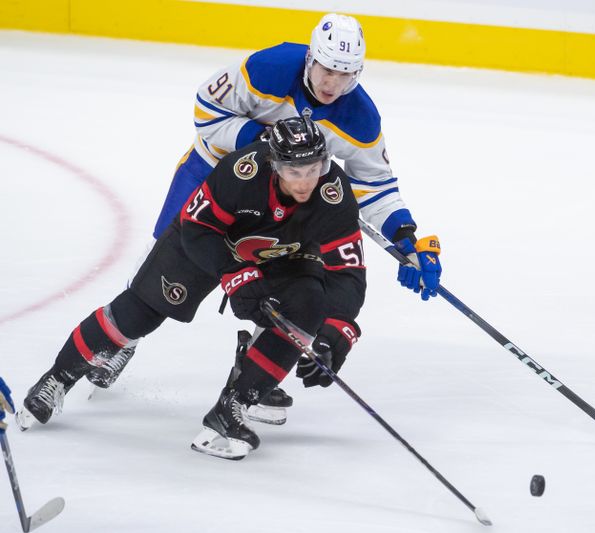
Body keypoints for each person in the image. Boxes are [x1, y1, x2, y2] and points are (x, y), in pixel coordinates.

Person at [84, 13, 444, 421]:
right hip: (216, 175)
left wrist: (405, 234)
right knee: (162, 258)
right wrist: (257, 142)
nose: (332, 85)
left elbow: (376, 185)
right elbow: (207, 111)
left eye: (345, 76)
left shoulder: (360, 117)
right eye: (327, 70)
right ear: (310, 59)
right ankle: (121, 342)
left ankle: (251, 369)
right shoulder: (268, 69)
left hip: (289, 198)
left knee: (289, 275)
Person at [16, 116, 391, 460]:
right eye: (295, 170)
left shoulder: (334, 194)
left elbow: (347, 272)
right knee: (138, 315)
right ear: (275, 166)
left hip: (283, 254)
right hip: (208, 243)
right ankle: (57, 378)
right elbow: (197, 229)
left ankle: (232, 409)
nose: (306, 180)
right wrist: (234, 273)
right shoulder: (241, 173)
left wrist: (340, 327)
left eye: (314, 168)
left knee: (309, 304)